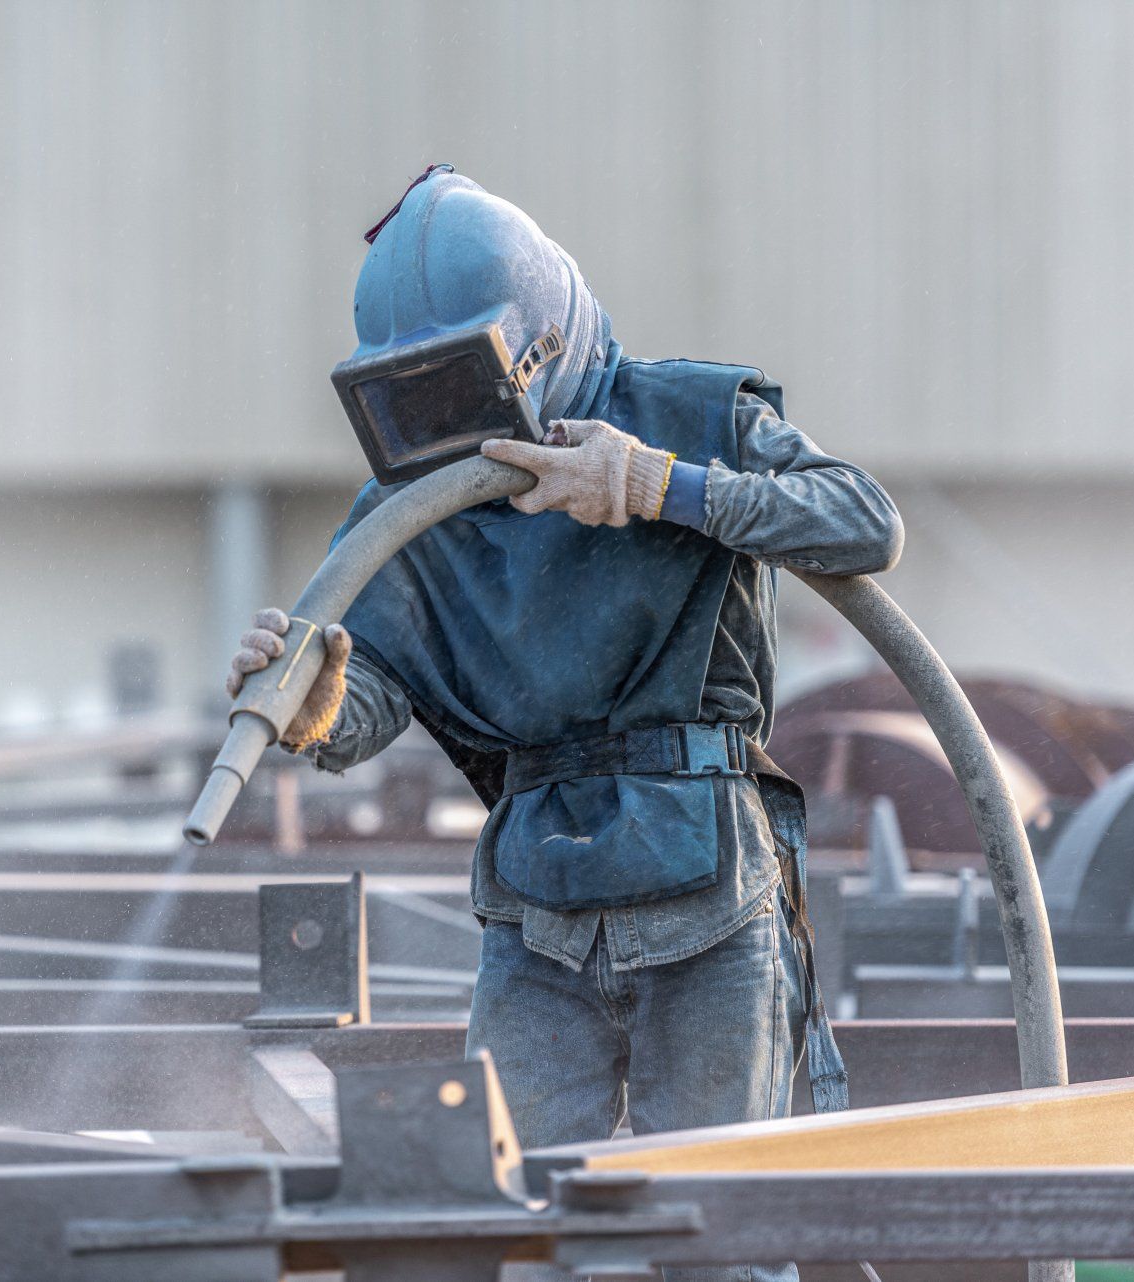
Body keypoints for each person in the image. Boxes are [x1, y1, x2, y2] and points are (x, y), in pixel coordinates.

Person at [225, 168, 902, 1282]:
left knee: (719, 1235)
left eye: (463, 389)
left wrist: (657, 485)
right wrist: (317, 704)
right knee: (517, 1232)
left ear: (534, 351)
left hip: (706, 881)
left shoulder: (690, 417)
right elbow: (377, 690)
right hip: (537, 900)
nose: (451, 431)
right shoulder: (412, 508)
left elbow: (864, 524)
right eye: (420, 401)